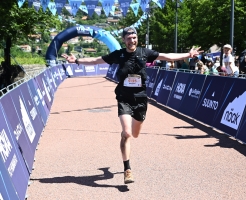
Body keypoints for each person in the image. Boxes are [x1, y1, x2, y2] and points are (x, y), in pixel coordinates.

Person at [62, 27, 201, 184]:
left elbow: (168, 56)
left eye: (134, 37)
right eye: (128, 38)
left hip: (140, 99)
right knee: (127, 133)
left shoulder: (145, 53)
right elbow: (97, 60)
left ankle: (111, 163)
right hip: (124, 97)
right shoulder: (119, 55)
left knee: (135, 134)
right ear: (124, 40)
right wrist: (77, 61)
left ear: (137, 38)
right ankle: (127, 169)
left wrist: (188, 55)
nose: (132, 40)